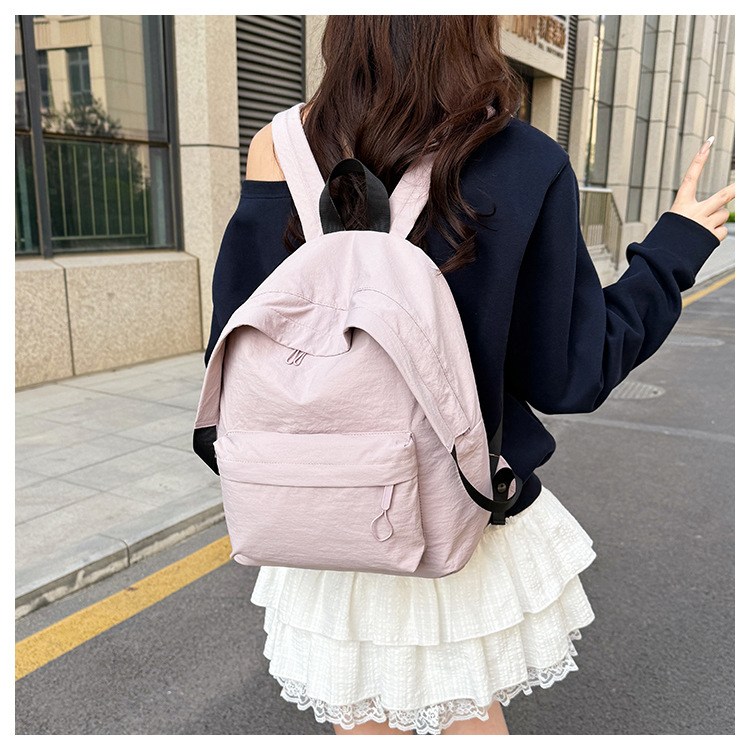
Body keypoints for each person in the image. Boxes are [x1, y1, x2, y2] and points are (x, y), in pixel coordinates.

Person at [202, 16, 734, 735]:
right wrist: (673, 249)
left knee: (361, 719)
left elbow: (235, 338)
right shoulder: (523, 159)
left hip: (317, 508)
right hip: (455, 507)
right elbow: (567, 375)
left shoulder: (280, 147)